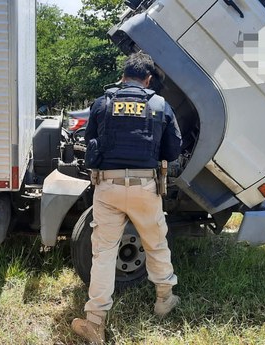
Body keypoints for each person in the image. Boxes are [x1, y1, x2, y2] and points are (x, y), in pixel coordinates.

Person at [72, 52, 183, 344]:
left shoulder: (103, 102)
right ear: (148, 79)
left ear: (124, 76)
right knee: (156, 244)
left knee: (104, 253)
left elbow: (90, 141)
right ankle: (164, 300)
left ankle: (95, 321)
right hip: (145, 188)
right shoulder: (160, 104)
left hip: (107, 188)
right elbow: (173, 151)